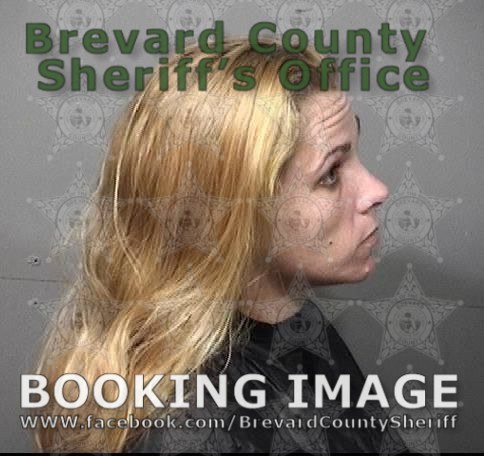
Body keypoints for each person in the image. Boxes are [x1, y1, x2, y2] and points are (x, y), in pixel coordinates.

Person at [30, 35, 400, 454]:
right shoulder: (193, 429)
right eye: (331, 173)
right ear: (233, 213)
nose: (377, 189)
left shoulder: (293, 319)